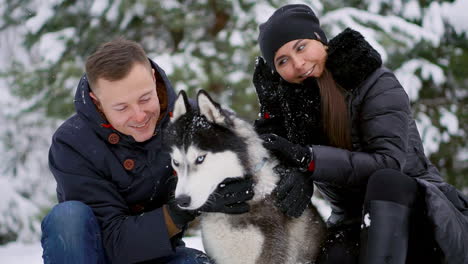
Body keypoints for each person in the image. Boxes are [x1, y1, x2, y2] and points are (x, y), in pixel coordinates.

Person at [253, 4, 468, 264]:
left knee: (386, 180)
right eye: (282, 61)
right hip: (354, 222)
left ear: (320, 39)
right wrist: (272, 111)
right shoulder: (300, 107)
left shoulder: (374, 82)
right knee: (332, 256)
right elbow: (268, 157)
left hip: (419, 214)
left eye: (301, 47)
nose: (298, 64)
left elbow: (389, 162)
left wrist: (309, 160)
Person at [41, 38, 254, 264]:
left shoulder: (190, 120)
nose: (140, 116)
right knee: (67, 218)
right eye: (122, 107)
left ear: (153, 78)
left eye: (145, 99)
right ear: (98, 102)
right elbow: (114, 243)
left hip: (158, 254)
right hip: (95, 256)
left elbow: (250, 150)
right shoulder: (73, 142)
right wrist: (178, 212)